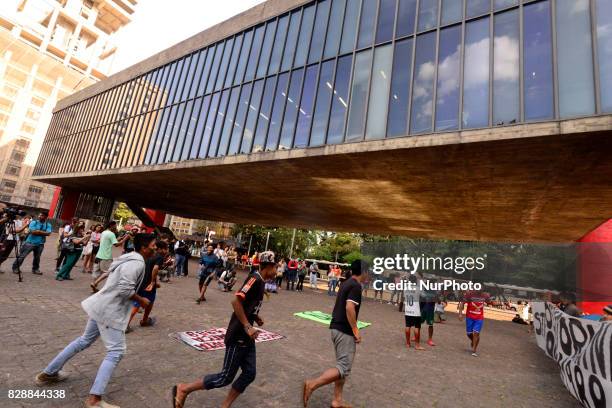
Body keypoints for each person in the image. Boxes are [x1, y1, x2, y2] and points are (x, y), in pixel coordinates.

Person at [35, 234, 157, 408]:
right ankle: (94, 399)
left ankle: (48, 373)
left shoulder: (130, 258)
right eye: (153, 245)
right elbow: (125, 289)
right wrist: (142, 300)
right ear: (144, 247)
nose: (156, 248)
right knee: (116, 352)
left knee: (83, 340)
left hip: (101, 306)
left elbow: (113, 275)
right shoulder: (136, 263)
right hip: (109, 310)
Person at [172, 251, 278, 408]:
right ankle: (183, 389)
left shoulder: (261, 281)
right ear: (269, 266)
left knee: (249, 374)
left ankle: (225, 406)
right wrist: (248, 326)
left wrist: (255, 317)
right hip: (238, 335)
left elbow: (246, 304)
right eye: (276, 267)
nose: (277, 271)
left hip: (247, 337)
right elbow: (235, 301)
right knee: (225, 377)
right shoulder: (254, 279)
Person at [303, 260, 367, 408]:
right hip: (344, 330)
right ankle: (311, 384)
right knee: (343, 368)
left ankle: (337, 400)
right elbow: (349, 308)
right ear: (363, 272)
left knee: (341, 366)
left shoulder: (346, 283)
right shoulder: (356, 286)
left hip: (336, 327)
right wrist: (356, 330)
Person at [127, 240, 169, 331]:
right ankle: (126, 324)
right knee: (138, 303)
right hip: (148, 284)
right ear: (161, 249)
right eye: (166, 249)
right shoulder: (159, 257)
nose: (167, 251)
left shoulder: (148, 255)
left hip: (141, 281)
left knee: (150, 301)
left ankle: (145, 320)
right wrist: (153, 282)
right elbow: (155, 268)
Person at [91, 222, 130, 292]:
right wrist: (125, 239)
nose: (116, 227)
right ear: (111, 226)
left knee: (96, 272)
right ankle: (95, 283)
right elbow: (116, 245)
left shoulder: (104, 232)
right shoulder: (111, 234)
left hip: (99, 255)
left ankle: (94, 286)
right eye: (115, 226)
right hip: (106, 256)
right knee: (108, 272)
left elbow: (110, 242)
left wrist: (120, 238)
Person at [458, 290, 490, 357]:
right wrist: (460, 314)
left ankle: (474, 350)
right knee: (469, 333)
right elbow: (462, 303)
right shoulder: (469, 294)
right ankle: (473, 340)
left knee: (476, 333)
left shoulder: (485, 295)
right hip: (469, 317)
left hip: (479, 317)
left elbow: (489, 301)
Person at [403, 275, 424, 350]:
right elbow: (423, 296)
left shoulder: (405, 288)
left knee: (407, 326)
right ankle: (417, 345)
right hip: (416, 310)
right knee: (417, 327)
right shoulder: (418, 288)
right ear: (415, 281)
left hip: (408, 309)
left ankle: (408, 343)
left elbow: (404, 297)